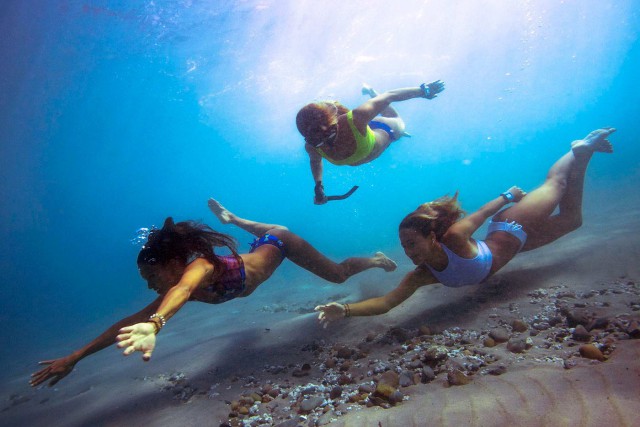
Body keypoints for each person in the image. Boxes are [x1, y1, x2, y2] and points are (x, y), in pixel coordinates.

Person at [30, 198, 397, 387]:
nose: (149, 285)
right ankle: (234, 220)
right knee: (258, 239)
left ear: (174, 264)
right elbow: (128, 321)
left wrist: (156, 324)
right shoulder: (181, 283)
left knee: (336, 275)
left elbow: (183, 289)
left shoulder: (198, 269)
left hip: (280, 243)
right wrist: (76, 356)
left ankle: (376, 260)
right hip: (258, 247)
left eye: (151, 276)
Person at [315, 128, 616, 324]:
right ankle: (584, 154)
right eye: (404, 246)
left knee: (557, 183)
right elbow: (386, 302)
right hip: (517, 244)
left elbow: (483, 213)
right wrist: (344, 310)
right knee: (572, 220)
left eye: (412, 244)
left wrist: (508, 196)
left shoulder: (455, 237)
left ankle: (577, 149)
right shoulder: (423, 275)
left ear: (432, 237)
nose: (408, 252)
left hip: (513, 224)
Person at [296, 80, 445, 204]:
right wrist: (318, 186)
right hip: (365, 131)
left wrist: (423, 91)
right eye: (316, 141)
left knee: (395, 118)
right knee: (368, 120)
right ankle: (372, 97)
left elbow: (389, 96)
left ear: (334, 124)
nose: (325, 143)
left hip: (387, 129)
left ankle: (372, 92)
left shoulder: (356, 117)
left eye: (328, 135)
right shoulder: (312, 145)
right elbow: (315, 162)